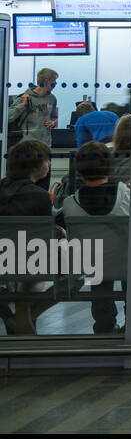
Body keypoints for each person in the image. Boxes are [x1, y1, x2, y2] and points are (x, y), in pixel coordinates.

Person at [56, 141, 131, 334]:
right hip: (129, 262)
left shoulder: (70, 204)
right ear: (109, 166)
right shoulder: (127, 197)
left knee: (97, 264)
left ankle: (104, 325)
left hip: (93, 266)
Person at [0, 139, 59, 334]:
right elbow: (45, 237)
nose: (49, 164)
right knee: (83, 266)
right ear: (35, 165)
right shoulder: (39, 196)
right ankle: (26, 312)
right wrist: (61, 233)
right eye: (47, 160)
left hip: (4, 258)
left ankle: (13, 315)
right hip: (27, 261)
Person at [8, 69, 59, 168]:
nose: (55, 84)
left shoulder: (52, 98)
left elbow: (54, 116)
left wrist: (52, 122)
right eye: (53, 82)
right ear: (46, 81)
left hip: (46, 145)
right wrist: (22, 105)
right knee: (28, 174)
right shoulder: (24, 97)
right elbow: (9, 117)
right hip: (28, 145)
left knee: (44, 177)